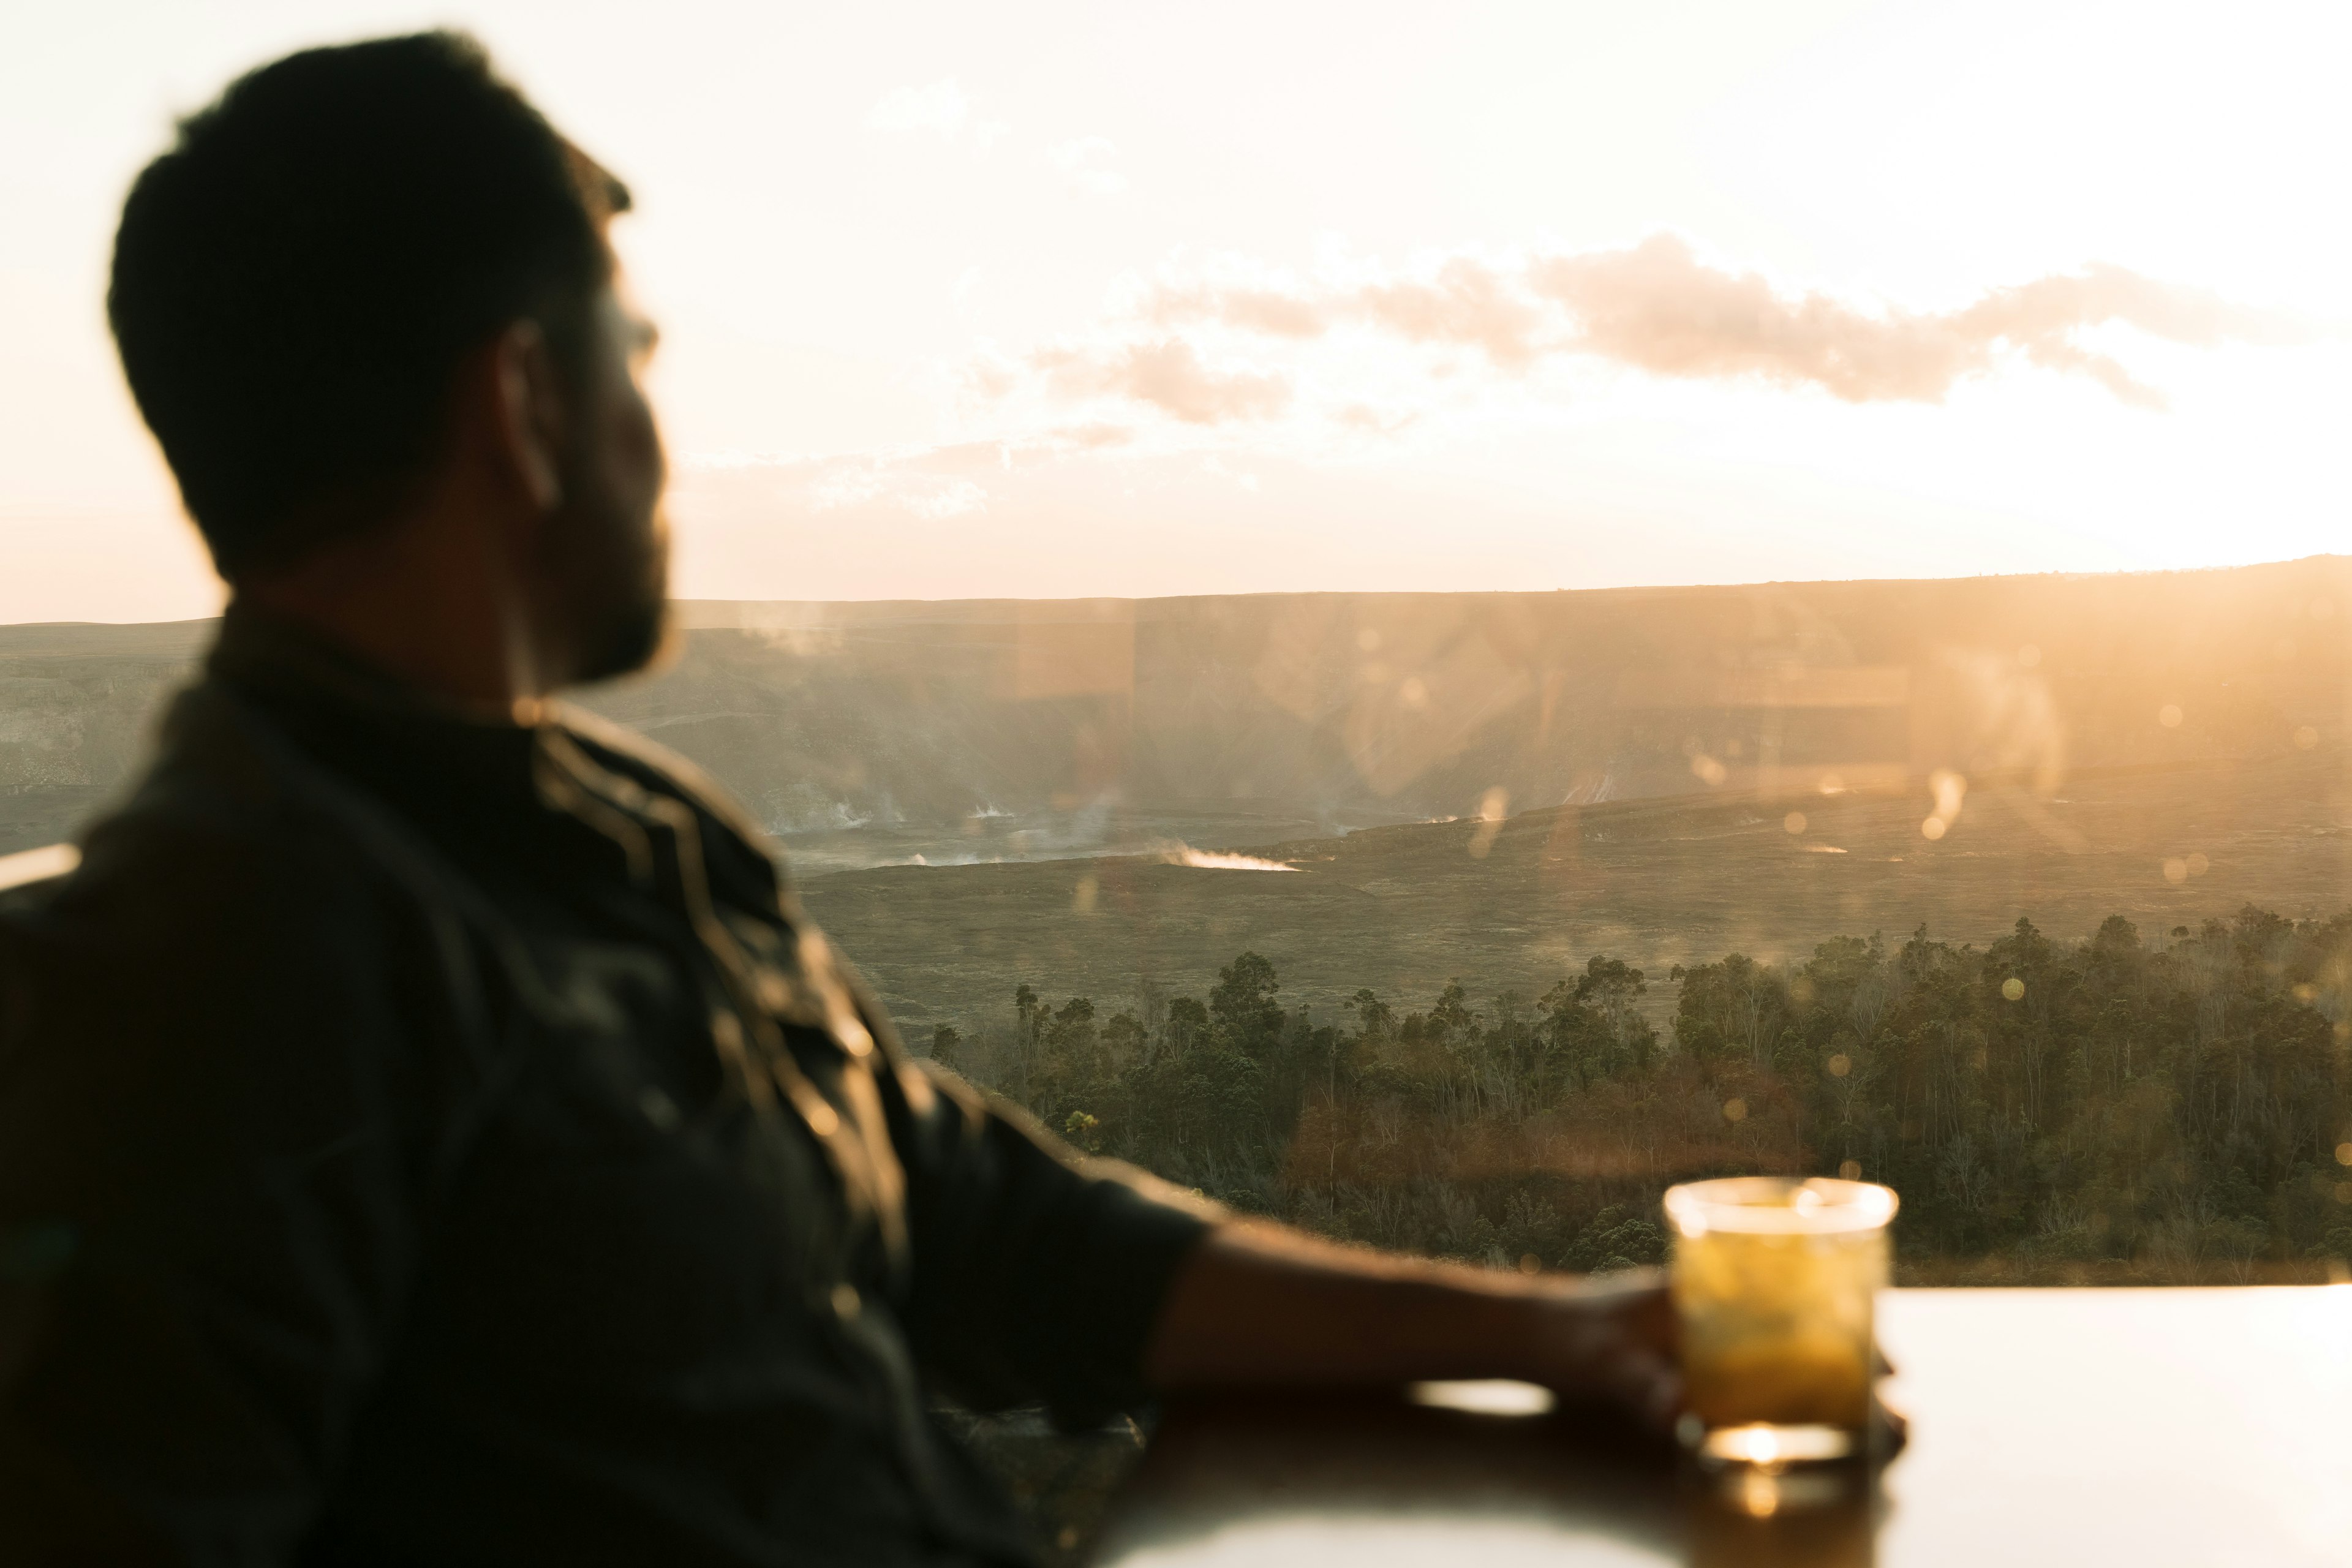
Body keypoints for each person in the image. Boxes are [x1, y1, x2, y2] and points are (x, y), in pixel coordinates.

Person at [0, 34, 1678, 1566]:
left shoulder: (631, 836)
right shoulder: (214, 977)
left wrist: (1551, 1333)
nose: (665, 451)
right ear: (522, 406)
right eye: (635, 365)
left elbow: (983, 1227)